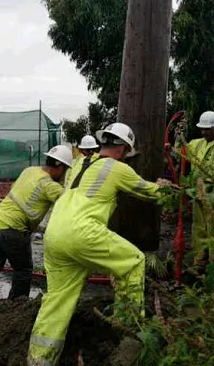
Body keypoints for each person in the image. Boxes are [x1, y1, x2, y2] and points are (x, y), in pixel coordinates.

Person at [27, 123, 172, 366]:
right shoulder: (116, 168)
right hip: (81, 232)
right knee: (133, 262)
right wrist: (169, 190)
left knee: (58, 300)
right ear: (124, 149)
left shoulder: (78, 165)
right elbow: (150, 192)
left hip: (54, 234)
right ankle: (128, 334)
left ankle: (39, 360)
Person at [0, 145, 74, 330]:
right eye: (66, 170)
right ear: (60, 167)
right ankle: (13, 315)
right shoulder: (50, 186)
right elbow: (71, 202)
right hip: (13, 229)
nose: (65, 174)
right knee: (23, 270)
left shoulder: (30, 170)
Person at [178, 111, 214, 264]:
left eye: (208, 130)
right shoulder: (198, 143)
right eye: (202, 129)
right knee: (198, 227)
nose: (204, 132)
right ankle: (199, 259)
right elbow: (182, 150)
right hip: (199, 190)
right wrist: (179, 136)